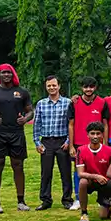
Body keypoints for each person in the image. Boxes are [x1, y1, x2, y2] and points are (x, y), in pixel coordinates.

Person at [0, 64, 33, 214]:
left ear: (13, 74)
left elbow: (30, 111)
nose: (6, 75)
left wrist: (25, 119)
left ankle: (21, 201)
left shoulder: (22, 92)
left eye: (9, 72)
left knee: (18, 165)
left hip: (17, 133)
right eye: (3, 72)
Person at [68, 76, 109, 211]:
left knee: (102, 168)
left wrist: (106, 144)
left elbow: (105, 125)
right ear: (81, 88)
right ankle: (78, 199)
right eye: (85, 87)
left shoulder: (102, 103)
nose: (88, 89)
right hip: (79, 143)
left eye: (91, 87)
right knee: (77, 170)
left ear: (95, 88)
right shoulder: (74, 102)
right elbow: (71, 125)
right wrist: (72, 145)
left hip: (99, 143)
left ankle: (102, 197)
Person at [33, 75, 73, 210]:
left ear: (59, 86)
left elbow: (71, 124)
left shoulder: (67, 103)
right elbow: (37, 124)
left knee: (66, 172)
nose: (52, 88)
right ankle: (45, 200)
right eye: (49, 85)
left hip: (62, 141)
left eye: (54, 85)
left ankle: (67, 199)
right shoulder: (41, 104)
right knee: (46, 172)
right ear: (46, 87)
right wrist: (37, 143)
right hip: (46, 142)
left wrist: (68, 141)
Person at [75, 121, 111, 221]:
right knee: (82, 182)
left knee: (104, 216)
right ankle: (84, 213)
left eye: (98, 133)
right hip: (90, 181)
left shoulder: (110, 150)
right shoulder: (81, 150)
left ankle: (106, 202)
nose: (95, 136)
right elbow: (80, 173)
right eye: (92, 133)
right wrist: (96, 176)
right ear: (87, 135)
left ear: (102, 135)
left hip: (105, 183)